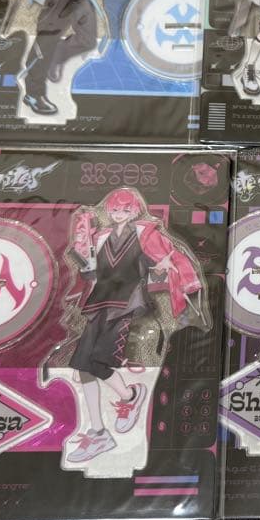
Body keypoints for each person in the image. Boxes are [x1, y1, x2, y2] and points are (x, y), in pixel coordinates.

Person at [64, 188, 201, 464]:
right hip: (99, 301)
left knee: (98, 361)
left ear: (135, 210)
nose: (119, 214)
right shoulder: (100, 236)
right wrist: (83, 253)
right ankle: (97, 431)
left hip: (126, 302)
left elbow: (165, 259)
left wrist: (172, 273)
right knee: (81, 364)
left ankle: (130, 395)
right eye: (115, 210)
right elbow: (90, 273)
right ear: (109, 211)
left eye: (125, 210)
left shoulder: (145, 233)